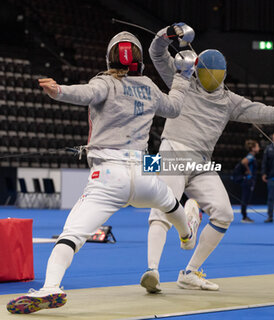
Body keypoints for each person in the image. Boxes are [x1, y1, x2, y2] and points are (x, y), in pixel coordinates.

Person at [7, 31, 199, 314]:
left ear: (109, 57)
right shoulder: (148, 86)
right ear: (138, 60)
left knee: (71, 235)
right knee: (169, 201)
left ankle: (51, 288)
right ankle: (187, 235)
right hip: (143, 174)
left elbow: (85, 93)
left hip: (108, 178)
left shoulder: (104, 83)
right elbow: (174, 108)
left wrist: (59, 90)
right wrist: (182, 77)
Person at [140, 22, 274, 293]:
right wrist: (170, 31)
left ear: (224, 76)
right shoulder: (180, 78)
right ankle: (152, 270)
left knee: (224, 214)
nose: (210, 80)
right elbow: (156, 52)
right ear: (196, 68)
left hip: (202, 163)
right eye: (207, 74)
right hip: (173, 152)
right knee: (163, 206)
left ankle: (189, 272)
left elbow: (268, 112)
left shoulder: (230, 101)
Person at [240, 140, 260, 223]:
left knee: (246, 198)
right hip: (248, 180)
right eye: (257, 146)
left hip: (249, 180)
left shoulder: (252, 156)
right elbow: (244, 162)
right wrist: (248, 170)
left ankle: (244, 216)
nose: (259, 148)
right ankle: (244, 217)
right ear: (253, 148)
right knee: (245, 198)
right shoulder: (250, 156)